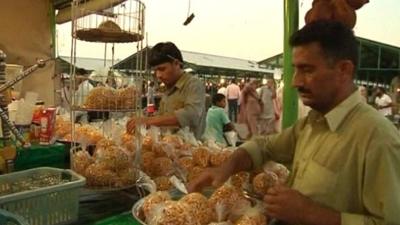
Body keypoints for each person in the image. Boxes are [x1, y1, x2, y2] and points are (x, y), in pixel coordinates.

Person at [188, 21, 400, 225]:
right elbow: (264, 146)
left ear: (344, 70)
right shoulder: (312, 123)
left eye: (307, 70)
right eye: (295, 69)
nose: (295, 82)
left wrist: (309, 213)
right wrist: (226, 168)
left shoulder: (377, 138)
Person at [126, 42, 206, 139]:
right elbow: (162, 117)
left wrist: (148, 120)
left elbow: (191, 115)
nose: (158, 75)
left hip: (189, 150)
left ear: (176, 63)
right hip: (168, 148)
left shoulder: (193, 84)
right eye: (155, 71)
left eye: (162, 69)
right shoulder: (168, 89)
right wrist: (146, 119)